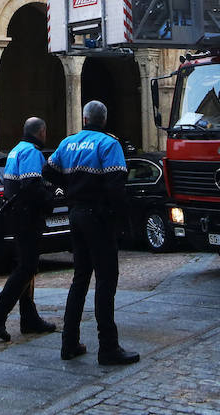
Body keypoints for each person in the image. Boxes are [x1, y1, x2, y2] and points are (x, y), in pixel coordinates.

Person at [47, 100, 140, 366]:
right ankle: (108, 347)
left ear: (85, 119)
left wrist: (72, 187)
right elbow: (116, 188)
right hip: (98, 217)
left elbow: (47, 171)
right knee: (105, 280)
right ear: (104, 120)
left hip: (75, 214)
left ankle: (69, 342)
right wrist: (122, 221)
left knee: (80, 279)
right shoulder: (109, 145)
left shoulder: (68, 143)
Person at [0, 117, 58, 341]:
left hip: (16, 214)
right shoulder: (32, 152)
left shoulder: (16, 150)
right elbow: (32, 186)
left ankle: (29, 318)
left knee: (27, 267)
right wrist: (49, 199)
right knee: (26, 267)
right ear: (41, 132)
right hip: (27, 216)